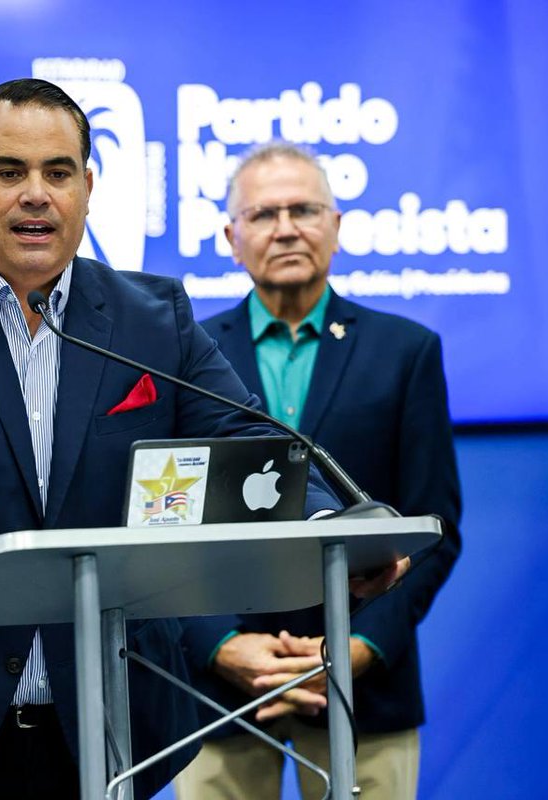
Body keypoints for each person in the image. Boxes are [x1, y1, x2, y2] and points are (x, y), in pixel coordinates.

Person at [0, 78, 406, 799]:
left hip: (101, 725)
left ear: (88, 186)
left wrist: (327, 528)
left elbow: (244, 438)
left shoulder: (151, 315)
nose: (36, 194)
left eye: (58, 172)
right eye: (9, 172)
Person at [174, 141, 462, 800]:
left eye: (304, 209)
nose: (285, 228)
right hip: (221, 692)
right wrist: (218, 646)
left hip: (367, 694)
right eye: (264, 213)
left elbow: (436, 528)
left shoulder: (406, 352)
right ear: (231, 236)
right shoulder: (184, 353)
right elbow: (159, 527)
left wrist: (358, 651)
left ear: (336, 226)